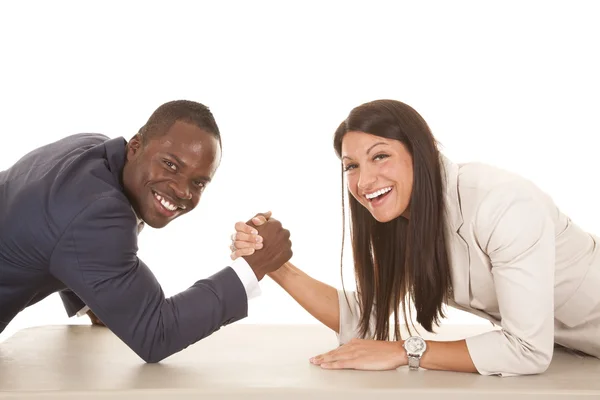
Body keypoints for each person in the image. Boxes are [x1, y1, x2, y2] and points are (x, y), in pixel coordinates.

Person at [230, 99, 600, 377]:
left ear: (419, 153)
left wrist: (406, 351)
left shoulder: (500, 204)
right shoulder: (405, 219)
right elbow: (364, 318)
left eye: (380, 156)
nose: (363, 182)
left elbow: (527, 351)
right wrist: (274, 265)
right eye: (352, 166)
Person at [0, 100, 293, 362]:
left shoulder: (89, 149)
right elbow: (157, 333)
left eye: (198, 183)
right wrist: (253, 267)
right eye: (170, 164)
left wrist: (101, 302)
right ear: (136, 147)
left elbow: (55, 233)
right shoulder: (97, 213)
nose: (182, 190)